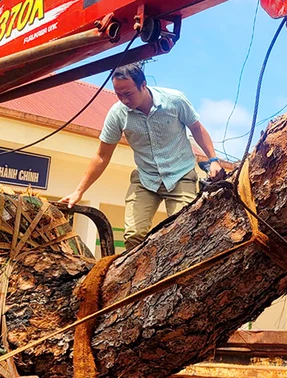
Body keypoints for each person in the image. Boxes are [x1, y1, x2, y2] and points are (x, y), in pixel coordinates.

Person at [60, 63, 223, 249]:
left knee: (183, 232)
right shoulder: (117, 114)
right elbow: (102, 155)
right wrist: (78, 191)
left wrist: (213, 160)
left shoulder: (175, 101)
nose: (123, 100)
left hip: (180, 174)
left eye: (128, 94)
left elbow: (197, 129)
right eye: (118, 94)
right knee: (133, 236)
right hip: (146, 178)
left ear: (143, 85)